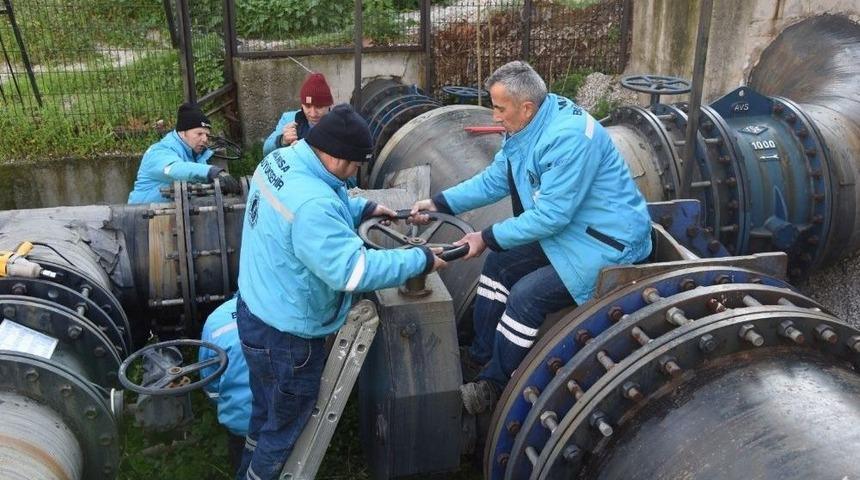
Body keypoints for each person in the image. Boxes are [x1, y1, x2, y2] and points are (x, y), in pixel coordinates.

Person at [410, 61, 652, 415]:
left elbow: (551, 217)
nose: (494, 117)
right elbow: (495, 180)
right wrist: (438, 202)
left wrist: (486, 235)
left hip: (608, 244)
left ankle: (494, 385)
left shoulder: (567, 138)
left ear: (526, 107)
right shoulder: (528, 126)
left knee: (527, 295)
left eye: (498, 108)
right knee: (498, 264)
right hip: (572, 233)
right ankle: (480, 355)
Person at [235, 104, 445, 480]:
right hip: (288, 336)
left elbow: (324, 204)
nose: (355, 173)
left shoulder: (281, 161)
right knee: (284, 431)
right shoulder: (313, 204)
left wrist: (365, 208)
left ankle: (245, 466)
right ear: (333, 155)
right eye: (353, 165)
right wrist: (421, 260)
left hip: (255, 314)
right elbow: (354, 271)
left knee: (266, 412)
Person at [128, 103, 240, 204]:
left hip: (171, 218)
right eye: (199, 133)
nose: (205, 139)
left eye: (207, 135)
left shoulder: (196, 156)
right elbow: (174, 169)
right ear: (182, 132)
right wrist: (211, 172)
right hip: (143, 217)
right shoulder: (159, 151)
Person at [199, 296, 250, 472]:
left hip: (240, 424)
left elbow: (209, 378)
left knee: (244, 468)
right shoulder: (284, 310)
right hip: (281, 419)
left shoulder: (215, 320)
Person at [262, 72, 334, 156]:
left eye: (319, 107)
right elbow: (266, 151)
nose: (313, 114)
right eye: (307, 106)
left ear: (329, 105)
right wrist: (282, 140)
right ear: (302, 104)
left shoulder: (341, 124)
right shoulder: (289, 118)